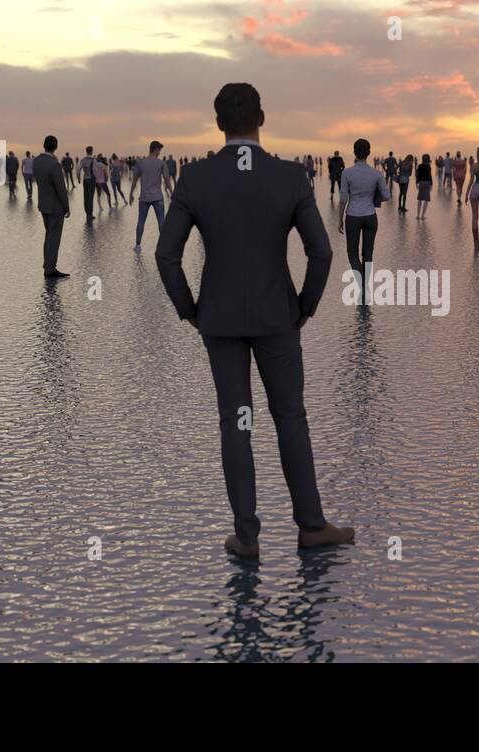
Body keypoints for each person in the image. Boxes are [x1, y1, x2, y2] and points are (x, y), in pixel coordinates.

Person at [155, 82, 352, 559]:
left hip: (218, 320)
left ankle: (246, 537)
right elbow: (321, 252)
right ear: (261, 118)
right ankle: (310, 525)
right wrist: (304, 305)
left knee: (236, 423)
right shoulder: (289, 177)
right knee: (291, 418)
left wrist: (190, 310)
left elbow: (166, 254)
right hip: (277, 317)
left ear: (218, 122)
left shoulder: (195, 179)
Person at [339, 138, 387, 299]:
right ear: (369, 153)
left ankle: (362, 286)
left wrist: (339, 218)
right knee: (368, 253)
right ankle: (365, 285)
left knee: (352, 254)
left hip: (352, 215)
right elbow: (386, 196)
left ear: (354, 152)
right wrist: (373, 196)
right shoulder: (376, 174)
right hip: (370, 216)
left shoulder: (347, 173)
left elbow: (343, 198)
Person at [33, 135, 70, 278]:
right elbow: (61, 188)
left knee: (48, 235)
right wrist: (67, 207)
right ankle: (50, 268)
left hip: (43, 204)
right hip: (56, 207)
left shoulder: (36, 161)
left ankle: (47, 264)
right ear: (55, 146)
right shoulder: (54, 164)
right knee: (54, 238)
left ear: (44, 145)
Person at [131, 140, 173, 253]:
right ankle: (165, 246)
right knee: (161, 221)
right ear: (156, 149)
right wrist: (172, 194)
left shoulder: (140, 162)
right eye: (159, 150)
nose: (160, 152)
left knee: (141, 220)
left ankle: (138, 245)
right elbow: (167, 180)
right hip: (158, 197)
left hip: (144, 197)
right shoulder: (161, 163)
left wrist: (131, 194)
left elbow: (134, 180)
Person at [76, 146, 97, 221]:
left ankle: (87, 213)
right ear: (91, 151)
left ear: (86, 151)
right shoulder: (93, 160)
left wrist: (78, 178)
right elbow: (95, 172)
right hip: (91, 180)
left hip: (85, 180)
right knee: (90, 197)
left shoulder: (83, 160)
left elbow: (78, 169)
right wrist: (96, 179)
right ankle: (90, 214)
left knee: (86, 197)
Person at [415, 153, 433, 220]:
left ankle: (418, 215)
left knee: (419, 199)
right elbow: (429, 176)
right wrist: (431, 184)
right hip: (427, 183)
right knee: (426, 200)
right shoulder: (429, 167)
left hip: (421, 183)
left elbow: (418, 175)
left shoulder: (419, 166)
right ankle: (422, 216)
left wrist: (416, 183)